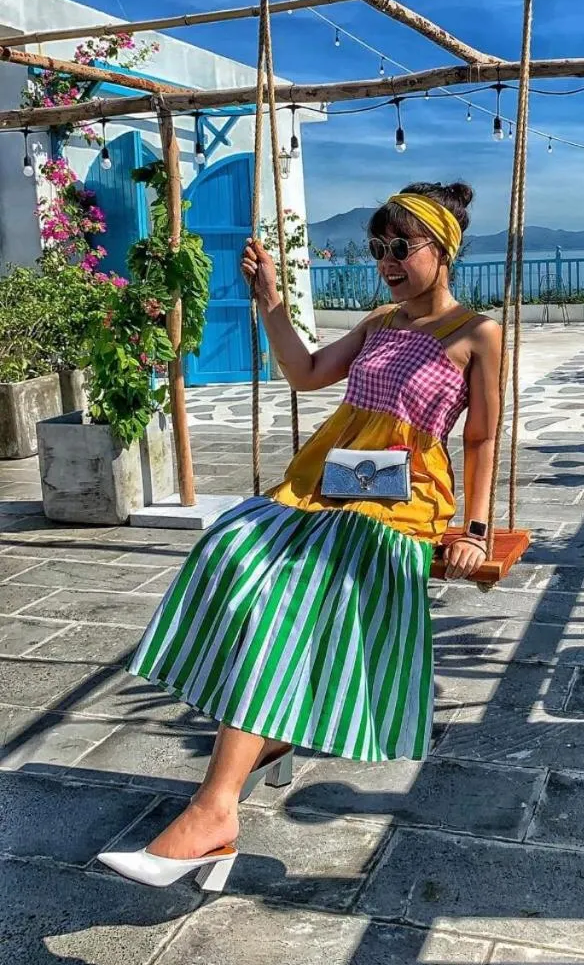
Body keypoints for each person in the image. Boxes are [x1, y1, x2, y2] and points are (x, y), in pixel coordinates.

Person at [98, 182, 501, 891]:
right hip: (328, 483)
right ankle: (257, 757)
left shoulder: (476, 333)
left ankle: (213, 811)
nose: (387, 261)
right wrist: (269, 302)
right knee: (232, 546)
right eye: (377, 249)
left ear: (443, 250)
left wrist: (472, 529)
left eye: (400, 248)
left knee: (292, 594)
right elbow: (307, 374)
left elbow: (482, 435)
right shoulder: (379, 323)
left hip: (402, 503)